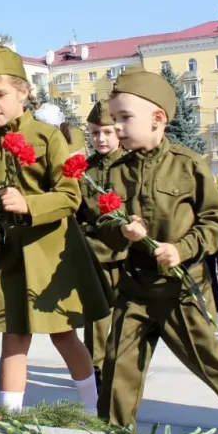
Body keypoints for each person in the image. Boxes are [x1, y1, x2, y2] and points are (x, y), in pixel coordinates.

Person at [95, 69, 218, 434]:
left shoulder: (188, 164)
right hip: (135, 289)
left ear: (158, 119)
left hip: (181, 288)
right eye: (115, 119)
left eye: (125, 118)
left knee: (207, 361)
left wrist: (182, 249)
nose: (118, 128)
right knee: (118, 367)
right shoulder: (115, 172)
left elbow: (215, 219)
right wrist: (121, 232)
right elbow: (102, 224)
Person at [0, 44, 111, 414]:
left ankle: (96, 409)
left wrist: (30, 204)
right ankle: (9, 417)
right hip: (11, 258)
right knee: (13, 337)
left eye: (0, 94)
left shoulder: (49, 138)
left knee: (63, 334)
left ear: (24, 92)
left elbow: (70, 196)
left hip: (50, 255)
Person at [77, 100, 126, 388]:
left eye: (107, 132)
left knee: (124, 315)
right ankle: (95, 368)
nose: (101, 139)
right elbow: (77, 213)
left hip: (127, 254)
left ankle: (119, 365)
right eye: (95, 133)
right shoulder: (84, 171)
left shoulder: (131, 165)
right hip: (95, 254)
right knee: (96, 317)